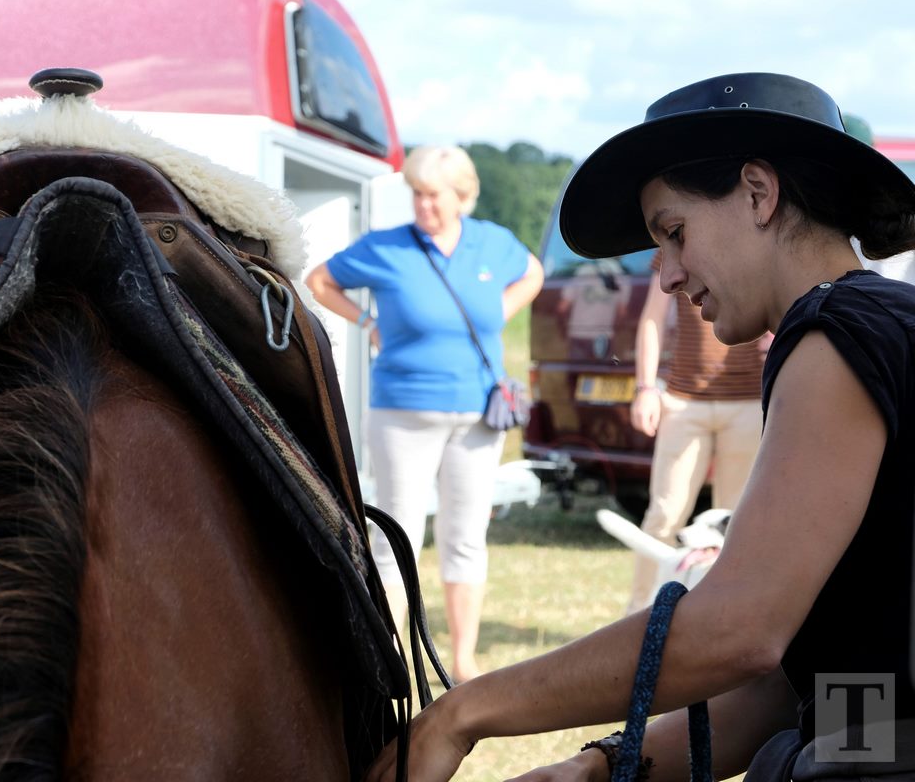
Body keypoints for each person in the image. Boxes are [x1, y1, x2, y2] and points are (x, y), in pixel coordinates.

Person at [364, 71, 915, 782]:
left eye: (675, 233)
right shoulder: (882, 322)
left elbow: (737, 629)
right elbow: (804, 689)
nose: (667, 276)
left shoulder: (834, 333)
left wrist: (463, 711)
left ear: (757, 192)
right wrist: (596, 767)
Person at [304, 145, 544, 683]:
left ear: (461, 197)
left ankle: (462, 660)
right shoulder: (386, 247)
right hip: (402, 413)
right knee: (398, 535)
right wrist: (366, 322)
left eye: (432, 195)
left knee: (465, 535)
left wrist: (498, 314)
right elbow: (320, 281)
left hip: (476, 416)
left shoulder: (492, 244)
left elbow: (534, 273)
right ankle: (389, 655)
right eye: (416, 193)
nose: (422, 204)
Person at [626, 251, 767, 613]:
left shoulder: (755, 238)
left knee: (734, 522)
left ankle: (721, 614)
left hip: (749, 402)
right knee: (664, 514)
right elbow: (652, 320)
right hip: (684, 399)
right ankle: (640, 613)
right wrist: (645, 389)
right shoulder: (675, 248)